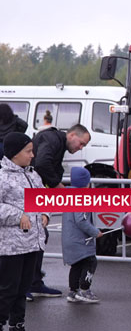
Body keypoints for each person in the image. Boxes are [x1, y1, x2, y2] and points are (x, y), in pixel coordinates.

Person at [26, 124, 91, 301]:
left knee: (40, 235)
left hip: (33, 193)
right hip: (25, 193)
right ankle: (24, 284)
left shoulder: (58, 143)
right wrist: (58, 186)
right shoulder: (52, 139)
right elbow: (42, 163)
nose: (80, 148)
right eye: (81, 143)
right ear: (71, 135)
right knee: (31, 237)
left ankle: (34, 282)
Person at [0, 132, 48, 331]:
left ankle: (17, 323)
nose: (32, 155)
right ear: (14, 153)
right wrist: (18, 216)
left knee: (23, 288)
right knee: (8, 289)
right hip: (11, 246)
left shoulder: (32, 174)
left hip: (32, 243)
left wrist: (45, 213)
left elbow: (42, 197)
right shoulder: (2, 177)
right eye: (28, 151)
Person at [62, 167, 102, 304]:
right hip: (81, 240)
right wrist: (95, 232)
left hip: (69, 238)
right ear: (86, 183)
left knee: (76, 264)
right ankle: (85, 289)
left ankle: (73, 291)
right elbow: (81, 220)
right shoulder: (82, 197)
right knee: (91, 261)